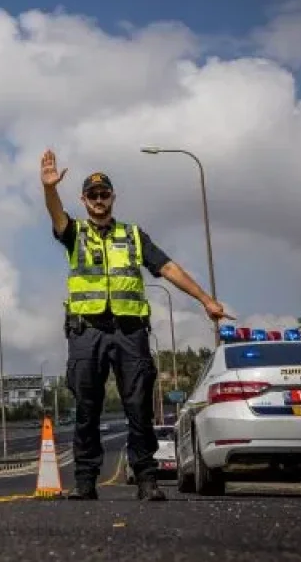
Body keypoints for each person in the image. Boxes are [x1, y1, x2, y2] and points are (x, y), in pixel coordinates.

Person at [40, 149, 234, 501]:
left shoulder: (133, 235)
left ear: (113, 197)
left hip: (129, 332)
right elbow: (56, 215)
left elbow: (168, 267)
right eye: (93, 195)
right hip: (87, 332)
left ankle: (147, 479)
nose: (99, 199)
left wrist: (205, 299)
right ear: (84, 200)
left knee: (139, 407)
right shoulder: (74, 232)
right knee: (87, 409)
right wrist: (49, 188)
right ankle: (85, 481)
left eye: (104, 193)